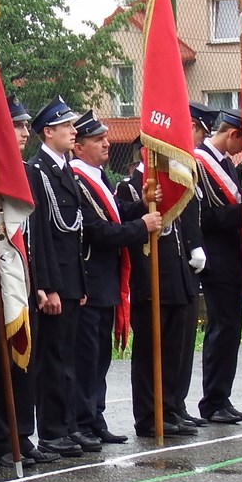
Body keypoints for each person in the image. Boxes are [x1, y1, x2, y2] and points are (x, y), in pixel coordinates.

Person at [69, 110, 160, 442]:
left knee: (101, 355)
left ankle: (96, 416)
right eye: (97, 139)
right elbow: (97, 230)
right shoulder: (77, 179)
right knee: (86, 355)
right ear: (78, 147)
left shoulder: (99, 176)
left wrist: (141, 206)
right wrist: (141, 227)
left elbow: (115, 213)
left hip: (105, 281)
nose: (106, 143)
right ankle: (81, 418)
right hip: (90, 279)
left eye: (105, 137)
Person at [24, 97, 94, 456]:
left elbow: (73, 233)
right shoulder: (37, 171)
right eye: (66, 126)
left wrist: (77, 283)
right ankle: (52, 430)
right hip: (54, 283)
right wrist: (46, 286)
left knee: (68, 358)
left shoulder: (65, 169)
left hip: (71, 280)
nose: (73, 131)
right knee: (53, 361)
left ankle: (67, 426)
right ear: (48, 132)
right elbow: (41, 235)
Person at [0, 95, 45, 466]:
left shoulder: (28, 173)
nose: (22, 132)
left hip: (26, 281)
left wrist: (44, 282)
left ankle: (24, 434)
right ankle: (3, 440)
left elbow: (44, 236)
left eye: (23, 126)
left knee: (27, 361)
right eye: (15, 126)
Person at [117, 147, 203, 436]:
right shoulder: (130, 187)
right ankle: (149, 415)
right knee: (149, 353)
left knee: (174, 349)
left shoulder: (172, 184)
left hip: (177, 277)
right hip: (150, 280)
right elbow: (129, 227)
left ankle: (171, 406)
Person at [194, 110, 242, 423]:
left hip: (232, 255)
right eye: (241, 140)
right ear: (231, 133)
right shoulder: (200, 162)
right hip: (215, 258)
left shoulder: (226, 163)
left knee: (231, 329)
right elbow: (204, 216)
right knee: (221, 327)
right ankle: (212, 401)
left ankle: (222, 397)